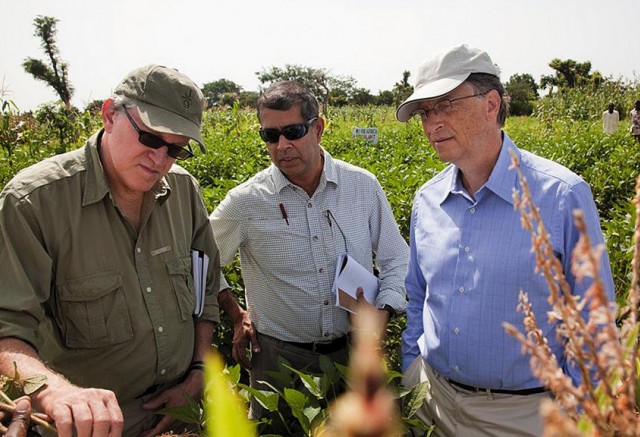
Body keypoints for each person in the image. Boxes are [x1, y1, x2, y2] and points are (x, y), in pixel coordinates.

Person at [0, 64, 221, 437]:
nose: (161, 160)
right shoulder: (34, 202)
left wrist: (198, 374)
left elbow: (205, 293)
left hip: (182, 415)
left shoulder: (184, 192)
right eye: (151, 139)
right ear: (109, 115)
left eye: (177, 149)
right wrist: (56, 391)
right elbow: (1, 330)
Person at [396, 44, 616, 436]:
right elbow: (418, 293)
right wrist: (413, 365)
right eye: (425, 112)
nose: (432, 124)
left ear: (491, 104)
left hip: (525, 415)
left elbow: (594, 321)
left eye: (445, 105)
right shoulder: (427, 200)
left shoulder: (561, 195)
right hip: (433, 402)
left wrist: (583, 419)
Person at [209, 81, 409, 422]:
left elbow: (397, 258)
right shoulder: (246, 202)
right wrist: (235, 312)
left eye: (293, 131)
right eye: (270, 136)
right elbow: (202, 263)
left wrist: (382, 314)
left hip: (352, 352)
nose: (282, 145)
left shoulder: (362, 186)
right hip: (277, 359)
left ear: (317, 128)